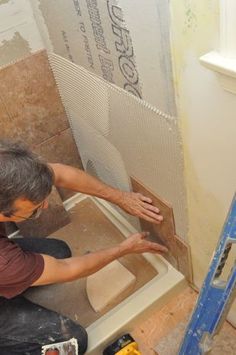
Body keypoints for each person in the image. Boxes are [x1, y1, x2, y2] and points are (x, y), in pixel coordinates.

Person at [0, 140, 167, 355]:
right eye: (33, 210)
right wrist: (123, 249)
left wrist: (120, 197)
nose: (46, 205)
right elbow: (68, 270)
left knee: (59, 251)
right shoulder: (6, 263)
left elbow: (60, 174)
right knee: (73, 342)